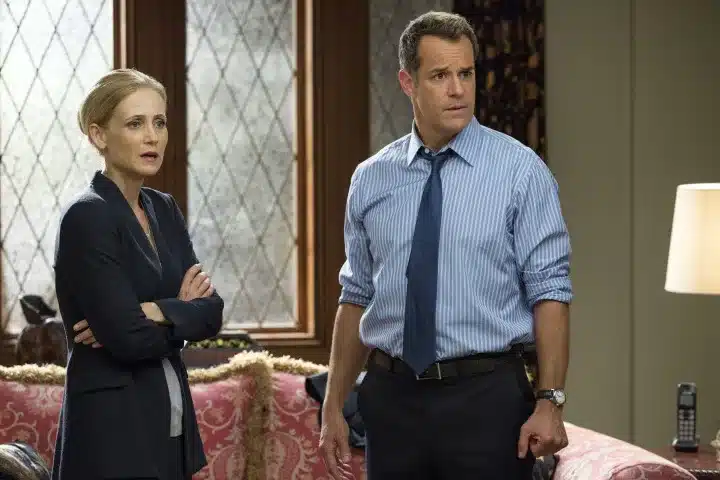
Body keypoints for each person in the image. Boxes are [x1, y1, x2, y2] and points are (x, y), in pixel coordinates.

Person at [319, 11, 572, 480]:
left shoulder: (521, 173)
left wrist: (550, 402)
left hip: (487, 399)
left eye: (466, 73)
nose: (458, 90)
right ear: (408, 83)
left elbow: (551, 293)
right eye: (440, 76)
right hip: (392, 400)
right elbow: (355, 297)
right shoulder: (371, 179)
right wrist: (333, 405)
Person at [51, 69, 224, 480]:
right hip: (112, 430)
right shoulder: (87, 216)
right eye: (135, 123)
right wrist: (178, 309)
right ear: (99, 135)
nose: (152, 137)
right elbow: (127, 340)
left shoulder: (164, 207)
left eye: (159, 123)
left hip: (171, 421)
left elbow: (212, 312)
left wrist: (151, 311)